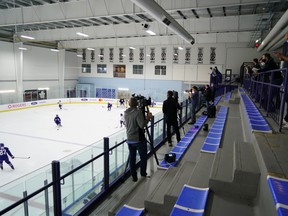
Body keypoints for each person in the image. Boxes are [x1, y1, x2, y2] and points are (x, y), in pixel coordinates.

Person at [124, 97, 152, 182]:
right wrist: (148, 117)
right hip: (138, 139)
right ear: (137, 104)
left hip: (129, 139)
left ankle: (134, 177)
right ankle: (143, 173)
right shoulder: (138, 112)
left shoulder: (126, 113)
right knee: (143, 157)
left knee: (132, 158)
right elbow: (142, 125)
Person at [273, 32, 288, 127]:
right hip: (285, 74)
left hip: (286, 74)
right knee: (285, 96)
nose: (285, 35)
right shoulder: (286, 45)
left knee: (286, 96)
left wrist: (282, 56)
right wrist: (281, 57)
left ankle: (286, 119)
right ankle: (286, 118)